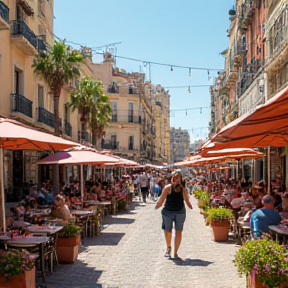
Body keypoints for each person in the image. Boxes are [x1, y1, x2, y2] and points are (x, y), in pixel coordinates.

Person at [155, 170, 193, 259]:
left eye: (178, 178)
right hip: (168, 212)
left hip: (180, 212)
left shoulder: (183, 189)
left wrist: (190, 206)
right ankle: (168, 248)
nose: (177, 180)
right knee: (167, 230)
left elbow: (187, 201)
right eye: (175, 178)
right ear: (172, 179)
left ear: (181, 179)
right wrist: (157, 206)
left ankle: (175, 252)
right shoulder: (167, 188)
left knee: (178, 231)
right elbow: (161, 200)